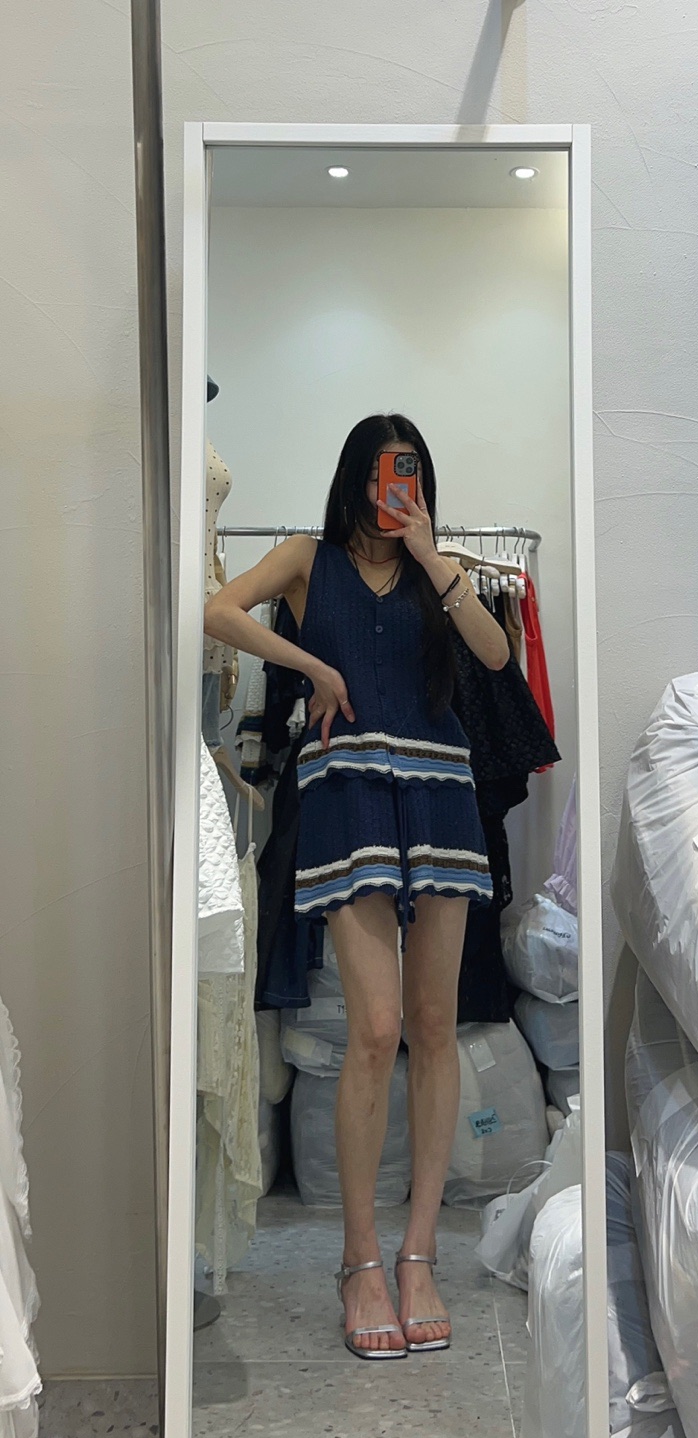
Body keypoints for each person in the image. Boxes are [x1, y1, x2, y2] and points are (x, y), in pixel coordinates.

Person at [204, 414, 510, 1360]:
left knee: (433, 1025)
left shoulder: (434, 567)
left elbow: (495, 657)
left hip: (439, 790)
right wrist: (310, 669)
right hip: (348, 795)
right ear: (355, 477)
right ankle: (360, 1260)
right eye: (383, 474)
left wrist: (431, 556)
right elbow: (217, 610)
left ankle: (419, 1255)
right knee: (374, 1028)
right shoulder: (308, 558)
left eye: (408, 474)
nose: (395, 491)